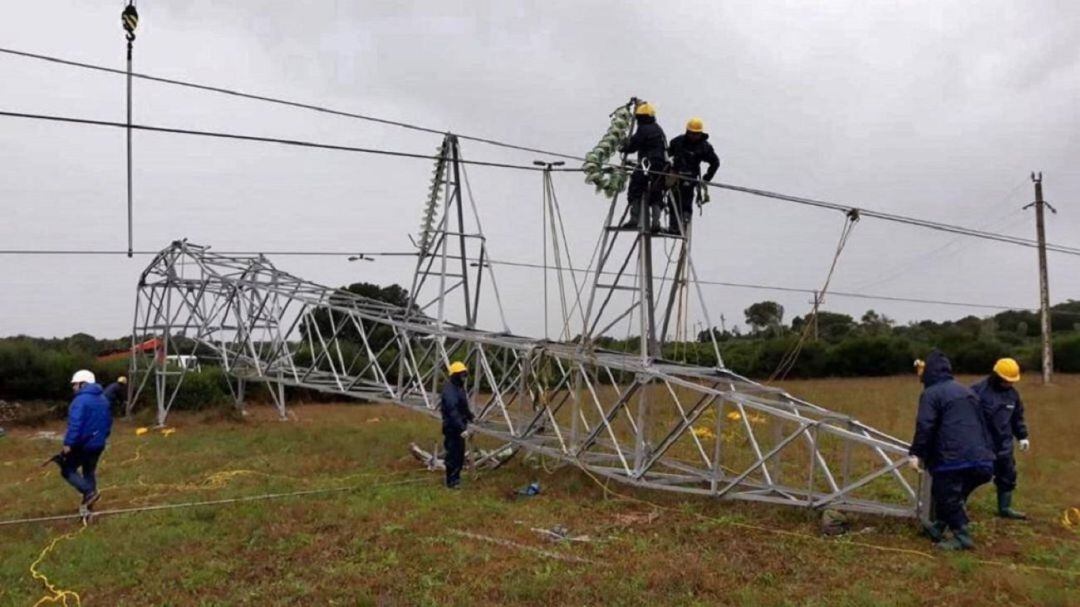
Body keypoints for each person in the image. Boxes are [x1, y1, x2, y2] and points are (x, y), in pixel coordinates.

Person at [909, 350, 996, 550]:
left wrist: (916, 453)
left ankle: (962, 536)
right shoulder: (967, 391)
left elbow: (925, 425)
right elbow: (984, 423)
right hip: (982, 459)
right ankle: (939, 526)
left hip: (953, 459)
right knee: (952, 495)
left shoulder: (931, 394)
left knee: (946, 493)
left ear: (929, 372)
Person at [971, 358, 1030, 520]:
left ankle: (1005, 508)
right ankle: (956, 505)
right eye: (1006, 380)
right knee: (975, 475)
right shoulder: (977, 392)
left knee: (1008, 474)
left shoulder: (1013, 395)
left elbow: (1017, 418)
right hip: (981, 444)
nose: (1009, 384)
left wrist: (1022, 436)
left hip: (1004, 444)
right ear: (996, 376)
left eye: (1012, 381)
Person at [60, 370, 113, 515]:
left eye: (75, 384)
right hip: (98, 444)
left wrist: (68, 443)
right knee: (89, 471)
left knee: (67, 470)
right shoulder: (103, 399)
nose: (73, 387)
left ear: (83, 384)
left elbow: (75, 424)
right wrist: (103, 437)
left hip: (83, 445)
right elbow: (109, 422)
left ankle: (90, 493)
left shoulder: (79, 401)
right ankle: (88, 507)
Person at [619, 101, 669, 232]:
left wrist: (623, 147)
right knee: (656, 192)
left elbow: (633, 145)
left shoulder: (643, 129)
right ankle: (656, 222)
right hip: (660, 166)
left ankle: (634, 219)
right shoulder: (658, 129)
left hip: (647, 164)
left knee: (636, 187)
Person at [666, 117, 719, 234]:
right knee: (673, 200)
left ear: (700, 134)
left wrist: (706, 178)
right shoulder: (678, 142)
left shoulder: (704, 147)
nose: (694, 136)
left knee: (686, 201)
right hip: (675, 176)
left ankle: (684, 223)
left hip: (690, 178)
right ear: (687, 131)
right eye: (692, 133)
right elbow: (667, 154)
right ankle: (674, 226)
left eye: (696, 134)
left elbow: (715, 162)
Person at [440, 361, 474, 489]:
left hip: (459, 426)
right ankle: (451, 481)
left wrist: (470, 416)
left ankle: (456, 479)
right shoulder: (449, 391)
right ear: (455, 375)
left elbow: (463, 406)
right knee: (453, 455)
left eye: (465, 375)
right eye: (461, 375)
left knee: (459, 455)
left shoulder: (459, 388)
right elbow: (452, 411)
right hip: (452, 428)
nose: (464, 377)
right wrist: (461, 427)